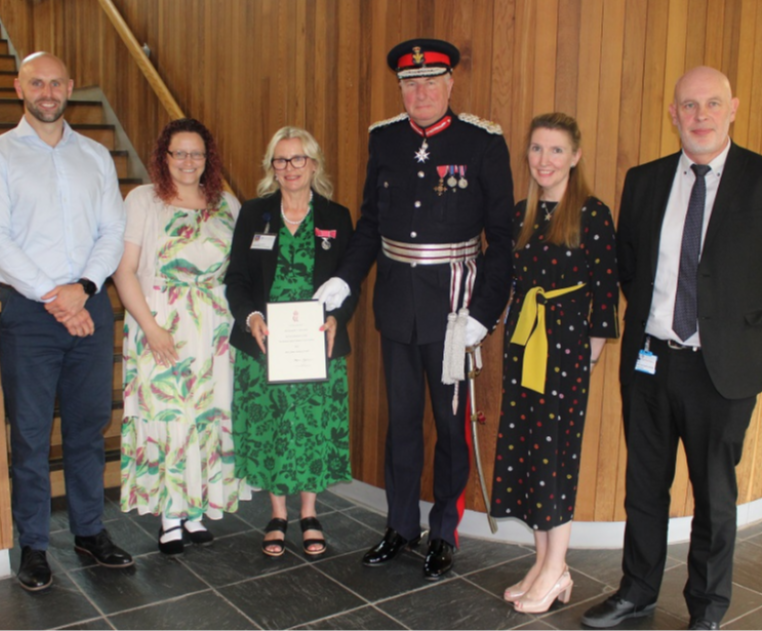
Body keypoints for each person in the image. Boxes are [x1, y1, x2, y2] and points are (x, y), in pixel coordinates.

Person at [581, 66, 762, 631]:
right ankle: (636, 591)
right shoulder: (644, 181)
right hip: (650, 363)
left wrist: (749, 338)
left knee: (713, 496)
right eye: (689, 105)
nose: (700, 115)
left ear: (733, 108)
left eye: (712, 104)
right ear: (673, 114)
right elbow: (630, 267)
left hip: (722, 371)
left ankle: (707, 611)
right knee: (644, 487)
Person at [314, 38, 514, 580]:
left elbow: (501, 239)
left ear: (450, 84)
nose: (420, 93)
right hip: (397, 303)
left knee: (450, 426)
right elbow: (370, 225)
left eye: (430, 82)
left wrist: (483, 313)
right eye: (410, 84)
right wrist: (344, 279)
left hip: (454, 307)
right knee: (401, 422)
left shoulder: (482, 143)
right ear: (400, 88)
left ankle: (444, 531)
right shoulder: (385, 139)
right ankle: (400, 525)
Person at [0, 52, 131, 591]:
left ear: (70, 87)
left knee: (88, 428)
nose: (47, 92)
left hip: (90, 306)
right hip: (28, 314)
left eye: (56, 83)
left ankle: (88, 531)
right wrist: (55, 296)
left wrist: (83, 289)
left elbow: (112, 231)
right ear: (19, 88)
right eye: (36, 82)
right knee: (32, 435)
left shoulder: (95, 156)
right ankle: (34, 545)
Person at [491, 113, 619, 613]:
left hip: (564, 353)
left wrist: (588, 359)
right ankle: (543, 562)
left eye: (556, 150)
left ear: (575, 156)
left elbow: (605, 296)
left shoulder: (591, 213)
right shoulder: (522, 212)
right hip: (525, 346)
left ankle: (558, 566)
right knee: (529, 454)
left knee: (556, 458)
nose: (544, 160)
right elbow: (512, 283)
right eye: (537, 149)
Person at [113, 118, 251, 555]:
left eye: (197, 153)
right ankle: (170, 517)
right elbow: (124, 271)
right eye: (180, 153)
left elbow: (242, 270)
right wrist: (151, 329)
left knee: (207, 417)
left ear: (208, 159)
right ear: (164, 156)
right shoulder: (144, 200)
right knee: (170, 418)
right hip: (161, 324)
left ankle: (195, 511)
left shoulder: (227, 203)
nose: (188, 161)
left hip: (214, 329)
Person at [225, 126, 358, 558]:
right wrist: (251, 317)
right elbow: (236, 278)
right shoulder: (254, 214)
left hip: (316, 344)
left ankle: (310, 513)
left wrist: (338, 317)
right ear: (272, 167)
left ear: (314, 164)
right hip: (264, 344)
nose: (290, 168)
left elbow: (350, 282)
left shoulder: (336, 217)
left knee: (312, 428)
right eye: (281, 160)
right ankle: (277, 514)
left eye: (298, 158)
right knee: (272, 427)